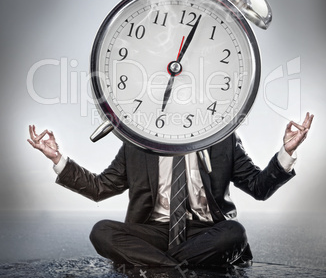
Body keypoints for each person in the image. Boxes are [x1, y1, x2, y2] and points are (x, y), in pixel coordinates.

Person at [27, 112, 313, 268]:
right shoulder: (136, 145)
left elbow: (258, 187)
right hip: (153, 230)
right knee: (101, 230)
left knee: (234, 233)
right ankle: (178, 265)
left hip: (205, 232)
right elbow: (100, 188)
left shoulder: (223, 141)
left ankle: (157, 264)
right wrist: (56, 158)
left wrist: (286, 153)